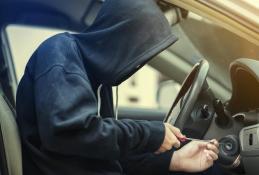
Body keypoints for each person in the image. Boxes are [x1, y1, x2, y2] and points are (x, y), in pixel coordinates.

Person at [16, 0, 219, 175]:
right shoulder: (61, 52)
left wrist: (174, 161)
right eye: (136, 51)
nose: (137, 64)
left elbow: (104, 155)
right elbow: (70, 132)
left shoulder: (99, 81)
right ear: (118, 35)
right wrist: (152, 135)